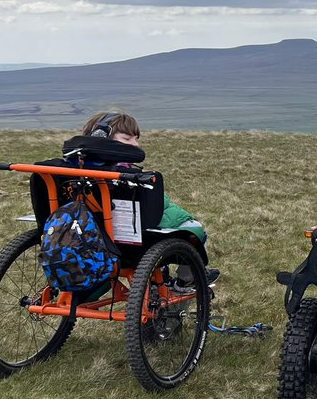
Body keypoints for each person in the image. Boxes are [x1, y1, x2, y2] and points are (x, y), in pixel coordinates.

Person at [80, 110, 219, 285]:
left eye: (136, 139)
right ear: (102, 137)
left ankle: (158, 280)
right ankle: (186, 282)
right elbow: (158, 210)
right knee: (196, 229)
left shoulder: (75, 171)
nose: (136, 145)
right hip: (128, 239)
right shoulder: (125, 176)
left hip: (87, 236)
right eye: (127, 138)